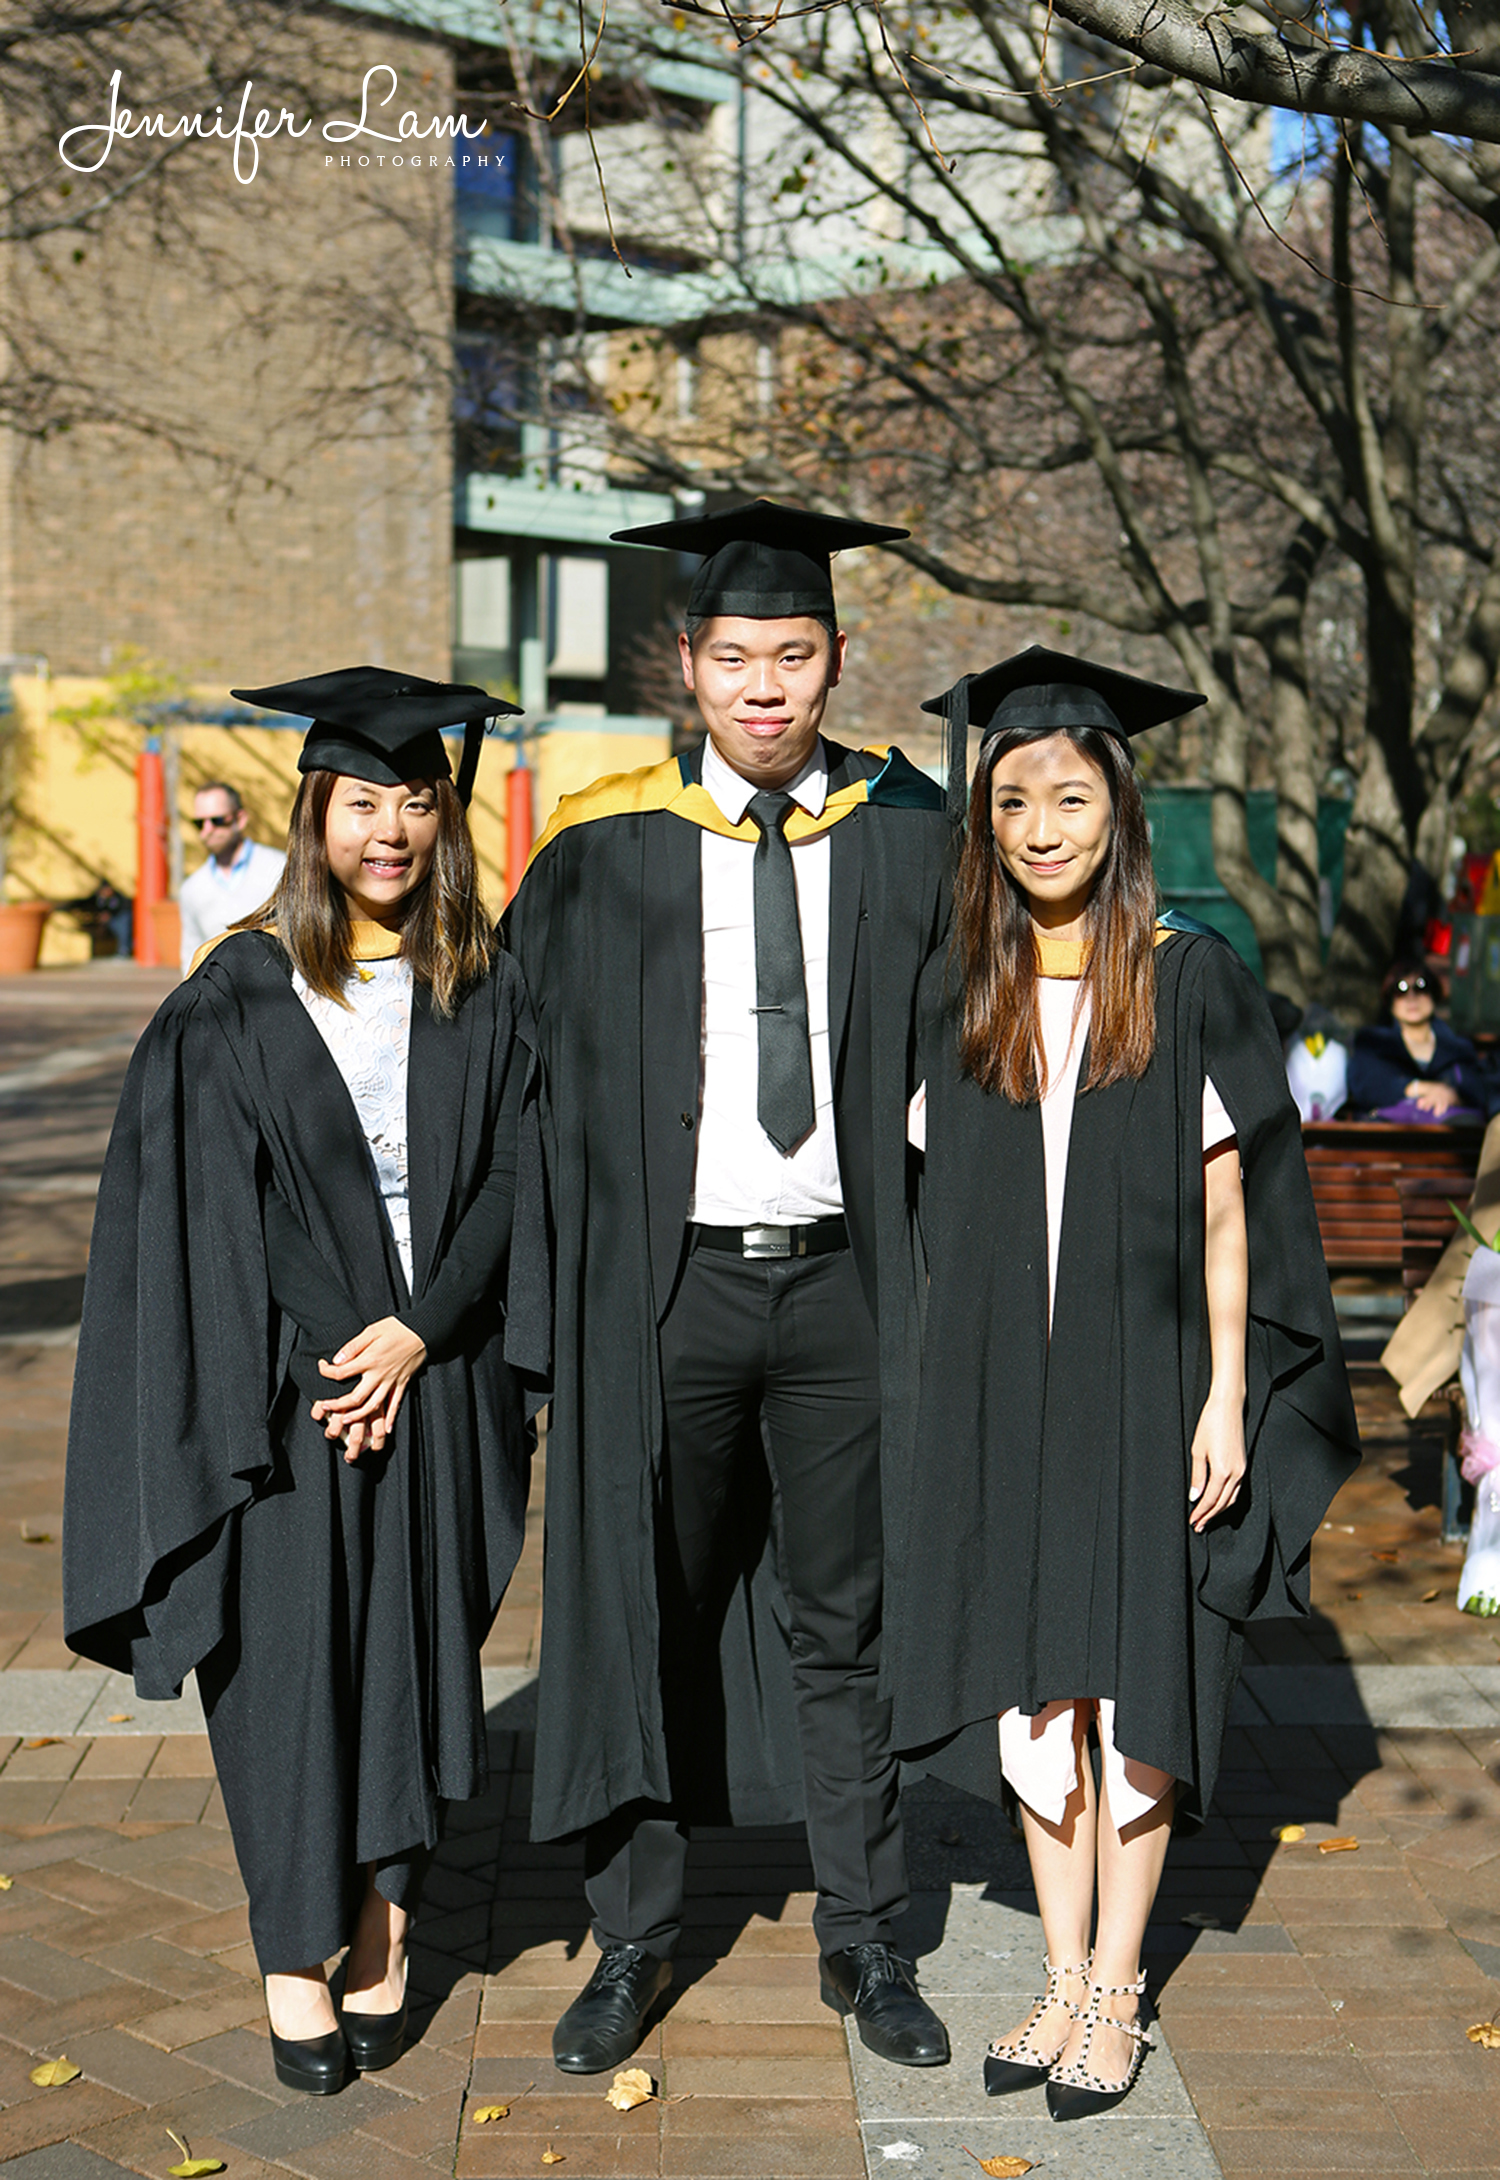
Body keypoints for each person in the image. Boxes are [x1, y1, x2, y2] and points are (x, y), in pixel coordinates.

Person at [505, 500, 954, 2075]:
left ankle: (868, 1936)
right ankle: (635, 1933)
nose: (766, 688)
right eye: (736, 658)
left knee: (852, 1620)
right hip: (670, 1294)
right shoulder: (598, 851)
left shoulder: (912, 839)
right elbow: (505, 1083)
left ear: (835, 664)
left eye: (797, 656)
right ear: (686, 665)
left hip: (851, 1291)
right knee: (648, 1608)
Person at [886, 649, 1360, 2119]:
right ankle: (1061, 1961)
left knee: (1134, 1687)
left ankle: (1117, 1984)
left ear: (1118, 809)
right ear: (986, 819)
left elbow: (1232, 1212)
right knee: (1039, 1699)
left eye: (1070, 797)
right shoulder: (962, 986)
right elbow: (929, 1213)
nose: (1041, 825)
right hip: (1004, 1397)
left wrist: (1226, 1396)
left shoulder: (1190, 977)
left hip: (1145, 1384)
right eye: (1014, 798)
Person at [63, 668, 547, 2097]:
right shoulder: (236, 994)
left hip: (441, 1379)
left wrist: (421, 1329)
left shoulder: (486, 986)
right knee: (282, 1670)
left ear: (443, 819)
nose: (388, 829)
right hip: (286, 1392)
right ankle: (293, 1952)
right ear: (314, 813)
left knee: (414, 1646)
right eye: (361, 802)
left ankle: (386, 1917)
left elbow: (522, 1173)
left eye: (415, 801)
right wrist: (349, 1337)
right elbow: (215, 1200)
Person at [1346, 962, 1489, 1122]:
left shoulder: (1458, 1047)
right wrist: (1420, 1088)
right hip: (1390, 1134)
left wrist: (1453, 1096)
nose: (1411, 997)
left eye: (1421, 987)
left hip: (1451, 1131)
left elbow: (1479, 1089)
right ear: (1390, 1002)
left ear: (1434, 996)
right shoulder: (1373, 1042)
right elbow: (1366, 1084)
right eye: (1400, 989)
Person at [177, 781, 288, 973]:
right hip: (219, 997)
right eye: (199, 823)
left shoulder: (280, 868)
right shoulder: (192, 888)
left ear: (241, 819)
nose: (207, 830)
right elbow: (190, 952)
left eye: (218, 820)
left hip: (278, 991)